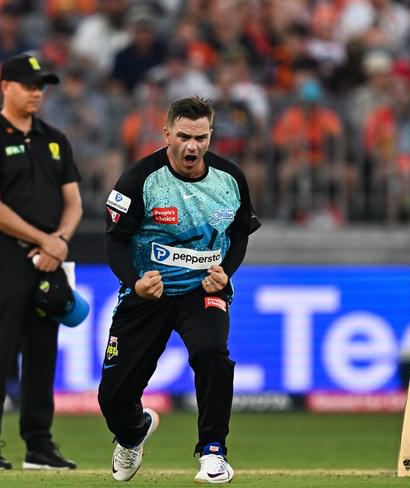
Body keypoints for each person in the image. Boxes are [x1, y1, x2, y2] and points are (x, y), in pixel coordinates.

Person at [98, 96, 261, 483]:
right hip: (147, 294)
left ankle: (213, 453)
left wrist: (226, 272)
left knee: (212, 354)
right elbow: (114, 242)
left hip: (202, 292)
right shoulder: (139, 179)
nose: (192, 147)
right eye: (184, 136)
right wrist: (134, 282)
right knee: (113, 398)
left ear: (210, 135)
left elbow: (239, 235)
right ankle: (133, 430)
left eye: (201, 137)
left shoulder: (230, 178)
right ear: (167, 133)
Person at [0, 54, 82, 470]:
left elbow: (74, 202)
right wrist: (45, 240)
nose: (37, 92)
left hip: (48, 260)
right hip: (6, 256)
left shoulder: (54, 139)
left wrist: (59, 242)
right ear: (5, 87)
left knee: (42, 352)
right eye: (29, 84)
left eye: (41, 85)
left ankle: (39, 445)